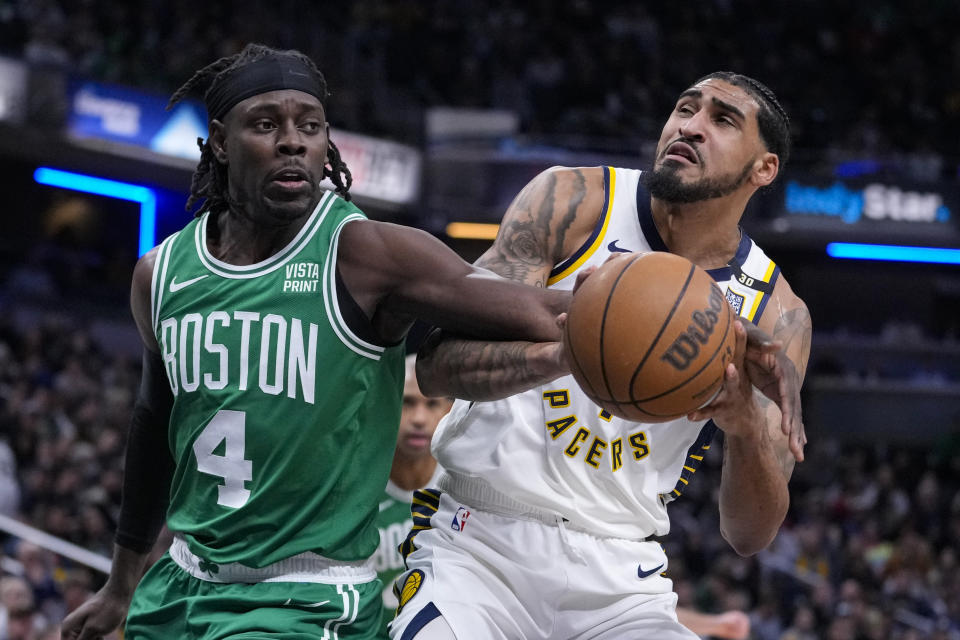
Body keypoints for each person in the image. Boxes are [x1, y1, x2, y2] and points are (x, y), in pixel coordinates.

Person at [60, 43, 571, 640]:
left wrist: (643, 308)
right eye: (266, 124)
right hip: (181, 586)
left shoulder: (366, 254)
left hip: (308, 598)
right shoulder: (161, 273)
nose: (293, 141)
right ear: (221, 142)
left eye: (310, 125)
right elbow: (154, 425)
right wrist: (121, 584)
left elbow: (535, 310)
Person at [391, 71, 812, 639]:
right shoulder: (573, 200)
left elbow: (749, 535)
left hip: (621, 577)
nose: (690, 126)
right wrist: (567, 350)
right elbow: (439, 366)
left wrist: (743, 429)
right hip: (478, 541)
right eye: (685, 109)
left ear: (764, 168)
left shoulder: (775, 311)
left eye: (722, 119)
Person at [374, 355, 452, 639]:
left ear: (449, 409)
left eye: (431, 404)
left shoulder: (464, 488)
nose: (419, 418)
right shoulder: (360, 488)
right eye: (407, 402)